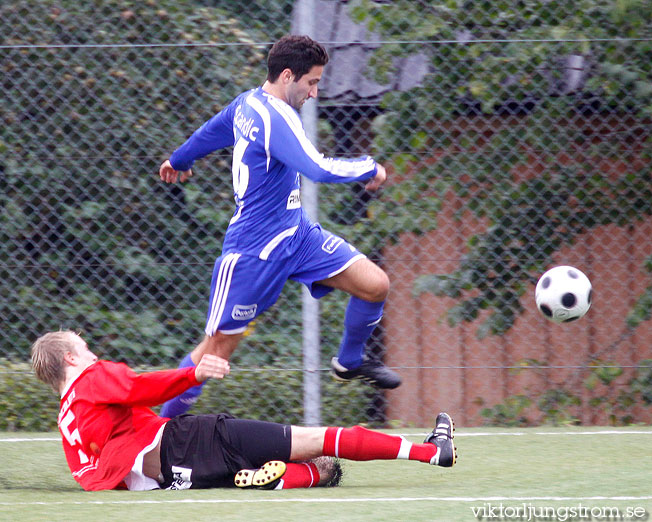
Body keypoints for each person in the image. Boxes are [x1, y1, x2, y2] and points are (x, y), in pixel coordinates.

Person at [159, 34, 400, 418]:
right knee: (214, 352)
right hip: (255, 250)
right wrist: (368, 167)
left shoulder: (248, 104)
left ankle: (350, 361)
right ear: (288, 76)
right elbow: (317, 168)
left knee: (375, 285)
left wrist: (181, 158)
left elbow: (214, 130)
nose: (315, 93)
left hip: (297, 235)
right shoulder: (274, 118)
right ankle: (154, 433)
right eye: (312, 83)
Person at [30, 330, 457, 491]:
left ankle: (290, 479)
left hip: (172, 480)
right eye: (84, 349)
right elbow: (139, 387)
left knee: (287, 466)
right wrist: (193, 375)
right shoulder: (90, 378)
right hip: (182, 440)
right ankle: (431, 451)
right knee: (318, 439)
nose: (92, 354)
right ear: (70, 359)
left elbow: (87, 477)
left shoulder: (65, 418)